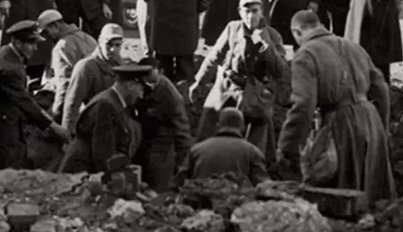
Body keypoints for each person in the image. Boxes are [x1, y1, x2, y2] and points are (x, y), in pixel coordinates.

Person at [277, 10, 396, 205]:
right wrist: (382, 128)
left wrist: (288, 146)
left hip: (341, 123)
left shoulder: (305, 54)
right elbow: (381, 89)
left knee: (341, 192)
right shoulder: (354, 47)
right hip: (371, 119)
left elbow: (304, 104)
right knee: (375, 191)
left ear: (296, 33)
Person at [191, 0, 288, 164]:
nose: (251, 16)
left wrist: (267, 47)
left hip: (256, 93)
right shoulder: (232, 29)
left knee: (256, 141)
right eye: (247, 11)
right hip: (228, 87)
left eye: (255, 11)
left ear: (261, 12)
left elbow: (281, 71)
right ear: (240, 12)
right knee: (209, 125)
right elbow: (214, 56)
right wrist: (199, 82)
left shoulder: (272, 35)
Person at [0, 20, 71, 169]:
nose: (35, 48)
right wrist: (53, 126)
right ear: (18, 43)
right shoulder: (11, 70)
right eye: (31, 44)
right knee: (3, 173)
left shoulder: (7, 52)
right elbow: (25, 101)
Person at [58, 63, 152, 174]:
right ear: (131, 85)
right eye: (141, 90)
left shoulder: (114, 102)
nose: (140, 96)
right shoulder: (106, 105)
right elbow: (103, 155)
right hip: (80, 172)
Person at [133, 56, 192, 192]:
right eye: (142, 75)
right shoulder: (140, 83)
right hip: (141, 142)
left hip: (160, 149)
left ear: (160, 71)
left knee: (156, 189)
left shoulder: (170, 96)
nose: (146, 80)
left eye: (149, 74)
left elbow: (182, 131)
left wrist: (182, 166)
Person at [176, 108, 269, 186]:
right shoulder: (253, 152)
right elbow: (264, 185)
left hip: (198, 204)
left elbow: (178, 182)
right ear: (242, 127)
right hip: (237, 204)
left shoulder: (196, 150)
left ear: (218, 126)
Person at [62, 23, 125, 134]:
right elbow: (72, 104)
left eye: (117, 45)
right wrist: (68, 134)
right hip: (94, 127)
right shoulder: (86, 67)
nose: (112, 49)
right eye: (108, 45)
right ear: (100, 41)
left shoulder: (122, 66)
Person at [37, 9, 97, 123]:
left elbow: (65, 86)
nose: (46, 37)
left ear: (55, 25)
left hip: (80, 106)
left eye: (46, 32)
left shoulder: (61, 47)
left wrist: (54, 116)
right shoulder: (87, 37)